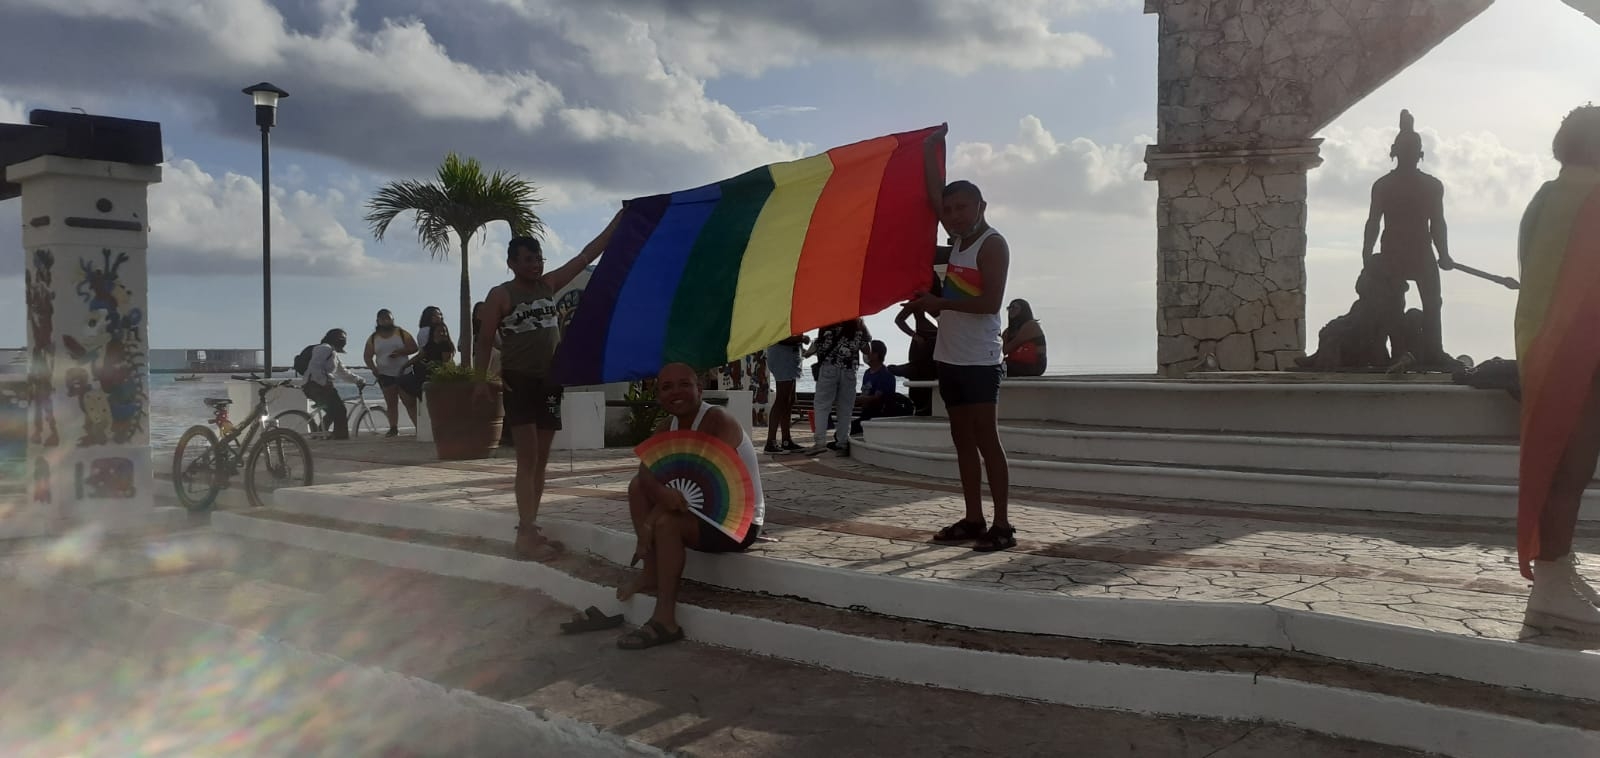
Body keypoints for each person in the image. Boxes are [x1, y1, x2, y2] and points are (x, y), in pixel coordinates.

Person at [476, 210, 624, 559]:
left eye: (539, 258)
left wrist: (619, 219)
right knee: (526, 460)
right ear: (512, 262)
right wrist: (480, 380)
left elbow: (587, 254)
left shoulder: (549, 285)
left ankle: (531, 526)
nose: (535, 264)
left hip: (549, 382)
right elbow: (484, 340)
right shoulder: (501, 294)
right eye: (527, 259)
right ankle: (524, 535)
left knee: (541, 461)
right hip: (519, 382)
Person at [907, 124, 1015, 552]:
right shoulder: (955, 241)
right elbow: (935, 196)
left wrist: (938, 302)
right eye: (949, 209)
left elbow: (990, 303)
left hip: (980, 360)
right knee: (961, 441)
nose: (952, 214)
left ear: (981, 206)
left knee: (987, 441)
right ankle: (974, 517)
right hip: (949, 357)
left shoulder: (992, 244)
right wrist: (931, 147)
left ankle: (1003, 525)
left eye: (961, 207)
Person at [1515, 104, 1600, 636]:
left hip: (1549, 343)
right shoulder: (1590, 199)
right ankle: (1550, 586)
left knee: (1565, 464)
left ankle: (1558, 573)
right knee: (1570, 468)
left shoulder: (1547, 198)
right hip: (1582, 348)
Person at [615, 362, 764, 650]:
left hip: (737, 521)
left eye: (684, 384)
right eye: (667, 387)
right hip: (698, 513)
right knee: (638, 487)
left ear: (700, 387)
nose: (676, 392)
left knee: (666, 523)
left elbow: (703, 480)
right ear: (658, 394)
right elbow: (646, 472)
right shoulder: (666, 426)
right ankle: (650, 572)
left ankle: (665, 620)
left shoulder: (718, 421)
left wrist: (649, 525)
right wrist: (658, 492)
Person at [1362, 110, 1456, 366]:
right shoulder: (1384, 185)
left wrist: (1444, 253)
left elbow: (1437, 222)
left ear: (1419, 154)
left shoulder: (1430, 186)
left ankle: (1433, 351)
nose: (1411, 156)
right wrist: (1367, 254)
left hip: (1419, 251)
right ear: (1397, 153)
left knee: (1432, 302)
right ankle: (1397, 350)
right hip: (1394, 252)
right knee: (1392, 305)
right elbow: (1373, 222)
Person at [804, 318, 870, 456]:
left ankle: (820, 442)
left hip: (829, 367)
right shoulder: (858, 325)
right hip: (849, 369)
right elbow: (866, 350)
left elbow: (819, 347)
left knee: (822, 406)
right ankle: (842, 443)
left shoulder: (827, 322)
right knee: (845, 408)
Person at [302, 329, 367, 440]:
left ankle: (320, 435)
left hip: (319, 386)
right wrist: (324, 382)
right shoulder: (324, 348)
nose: (343, 341)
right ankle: (340, 439)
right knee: (340, 410)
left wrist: (358, 380)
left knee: (333, 410)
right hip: (316, 387)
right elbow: (315, 367)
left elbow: (343, 372)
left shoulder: (332, 352)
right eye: (342, 339)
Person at [363, 309, 418, 437]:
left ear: (392, 319)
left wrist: (400, 352)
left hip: (404, 372)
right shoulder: (373, 338)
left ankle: (419, 427)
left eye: (388, 318)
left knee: (409, 402)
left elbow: (414, 348)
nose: (386, 321)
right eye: (383, 319)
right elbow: (367, 356)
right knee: (391, 403)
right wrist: (374, 369)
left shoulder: (401, 333)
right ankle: (393, 428)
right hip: (385, 374)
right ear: (378, 321)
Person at [894, 271, 942, 416]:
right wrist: (914, 335)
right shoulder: (916, 300)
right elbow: (899, 319)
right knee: (917, 374)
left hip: (938, 342)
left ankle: (931, 407)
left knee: (935, 374)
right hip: (921, 342)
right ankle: (917, 406)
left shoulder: (943, 301)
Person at [762, 334, 810, 454]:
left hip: (790, 358)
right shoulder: (779, 317)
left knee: (790, 399)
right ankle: (770, 442)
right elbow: (779, 337)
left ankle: (786, 440)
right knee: (782, 399)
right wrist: (801, 339)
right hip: (782, 358)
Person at [853, 339, 904, 433]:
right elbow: (865, 393)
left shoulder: (885, 374)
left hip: (878, 416)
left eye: (868, 351)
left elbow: (876, 398)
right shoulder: (867, 373)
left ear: (876, 354)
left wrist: (855, 400)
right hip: (866, 414)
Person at [399, 321, 457, 402]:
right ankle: (420, 394)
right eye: (439, 331)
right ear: (433, 333)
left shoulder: (446, 345)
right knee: (403, 379)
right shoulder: (430, 345)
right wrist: (404, 366)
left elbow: (446, 364)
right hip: (428, 373)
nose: (442, 333)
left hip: (438, 374)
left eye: (444, 331)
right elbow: (419, 356)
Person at [1003, 299, 1048, 378]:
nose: (1011, 310)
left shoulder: (1031, 325)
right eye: (1009, 308)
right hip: (1015, 363)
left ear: (1024, 310)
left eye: (1015, 308)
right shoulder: (1008, 331)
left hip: (1033, 366)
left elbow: (1007, 349)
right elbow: (999, 351)